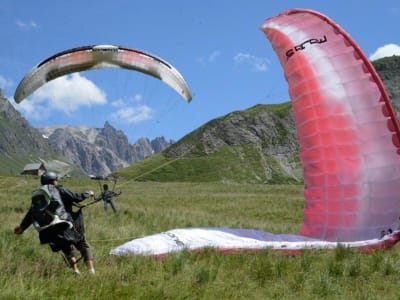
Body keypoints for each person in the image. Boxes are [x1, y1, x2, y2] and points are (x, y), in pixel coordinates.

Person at [14, 171, 96, 275]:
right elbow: (76, 197)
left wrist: (22, 227)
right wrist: (89, 193)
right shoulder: (59, 190)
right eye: (56, 180)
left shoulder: (41, 195)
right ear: (53, 181)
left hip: (49, 231)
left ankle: (76, 271)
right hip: (64, 225)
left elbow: (31, 213)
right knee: (83, 244)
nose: (57, 181)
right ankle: (91, 271)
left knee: (66, 249)